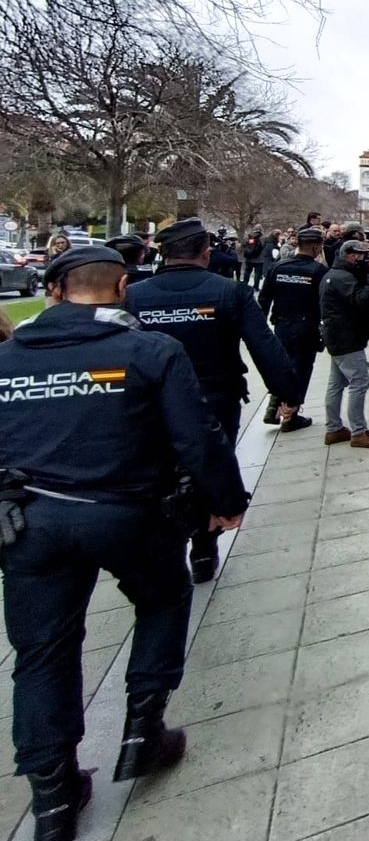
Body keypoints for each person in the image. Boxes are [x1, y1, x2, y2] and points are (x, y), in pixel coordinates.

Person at [0, 246, 249, 840]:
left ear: (55, 292)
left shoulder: (8, 359)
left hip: (32, 524)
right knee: (163, 601)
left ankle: (53, 796)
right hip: (128, 514)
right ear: (122, 287)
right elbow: (197, 436)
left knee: (40, 656)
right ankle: (143, 727)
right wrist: (225, 501)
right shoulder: (149, 351)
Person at [125, 217, 299, 581]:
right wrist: (287, 393)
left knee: (158, 470)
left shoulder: (135, 296)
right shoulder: (228, 291)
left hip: (151, 403)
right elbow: (265, 346)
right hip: (213, 398)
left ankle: (176, 543)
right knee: (210, 464)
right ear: (206, 253)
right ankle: (204, 545)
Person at [257, 226, 327, 432]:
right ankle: (290, 415)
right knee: (302, 369)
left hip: (281, 324)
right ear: (315, 247)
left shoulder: (278, 267)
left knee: (282, 367)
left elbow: (263, 299)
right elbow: (324, 302)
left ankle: (274, 407)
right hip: (306, 326)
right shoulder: (319, 271)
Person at [319, 240, 369, 449]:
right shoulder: (342, 277)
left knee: (336, 383)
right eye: (362, 255)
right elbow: (360, 300)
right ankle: (358, 431)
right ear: (350, 255)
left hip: (337, 335)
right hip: (346, 337)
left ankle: (334, 428)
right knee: (359, 382)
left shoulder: (334, 275)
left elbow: (355, 300)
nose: (365, 260)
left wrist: (367, 296)